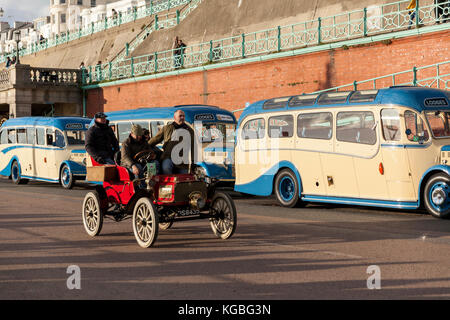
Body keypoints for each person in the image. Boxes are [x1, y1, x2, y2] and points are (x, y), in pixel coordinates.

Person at [148, 110, 195, 174]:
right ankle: (168, 184)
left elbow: (193, 147)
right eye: (180, 116)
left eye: (183, 116)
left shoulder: (190, 131)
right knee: (166, 168)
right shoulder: (167, 128)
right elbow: (155, 140)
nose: (182, 118)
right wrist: (145, 146)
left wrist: (192, 162)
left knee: (185, 176)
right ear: (175, 117)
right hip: (168, 157)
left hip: (183, 161)